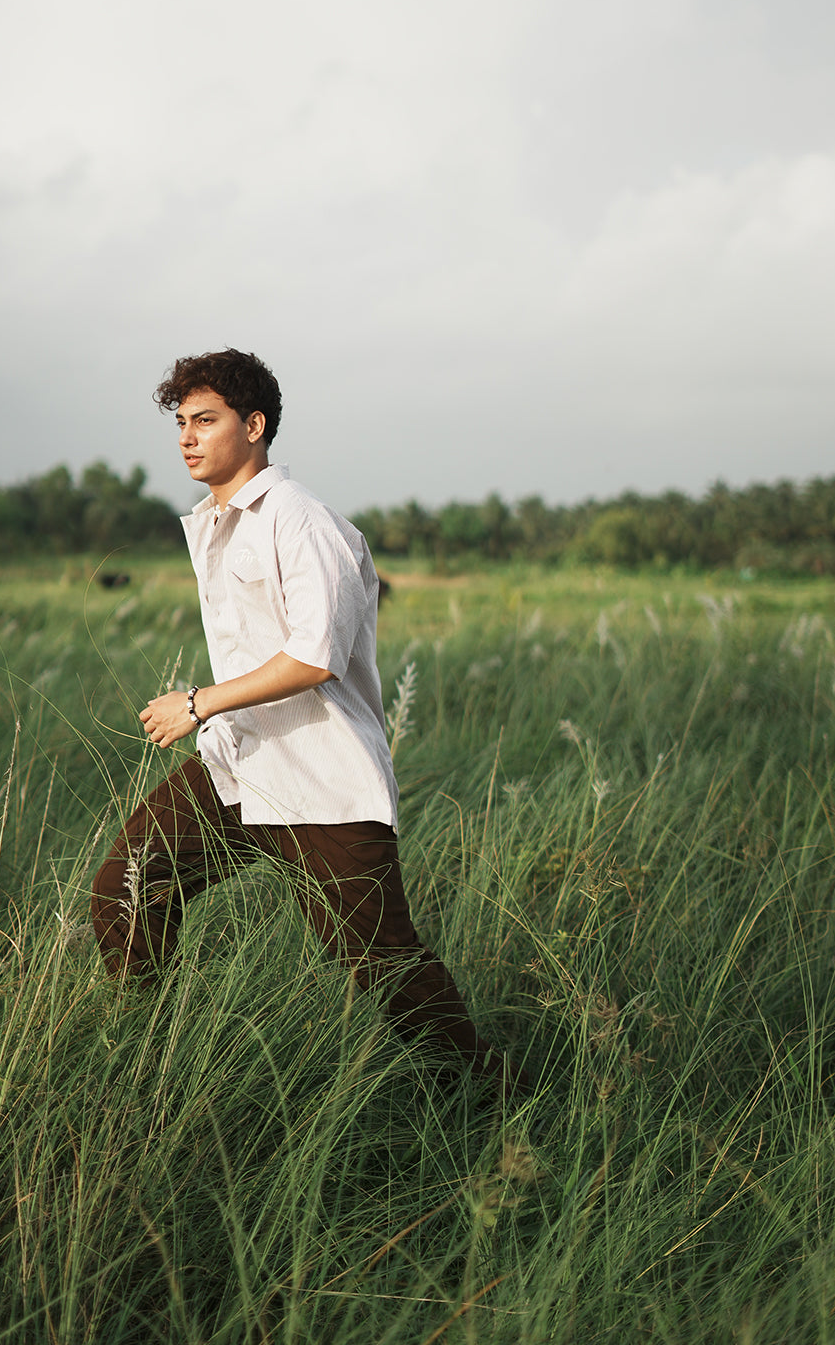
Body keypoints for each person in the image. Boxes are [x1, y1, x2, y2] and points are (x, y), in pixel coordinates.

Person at [90, 348, 526, 1098]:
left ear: (253, 426)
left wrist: (198, 703)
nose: (188, 438)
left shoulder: (302, 523)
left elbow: (315, 658)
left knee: (384, 966)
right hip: (239, 770)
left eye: (206, 420)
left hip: (320, 781)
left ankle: (492, 1091)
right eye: (181, 424)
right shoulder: (217, 525)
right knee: (127, 887)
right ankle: (147, 1062)